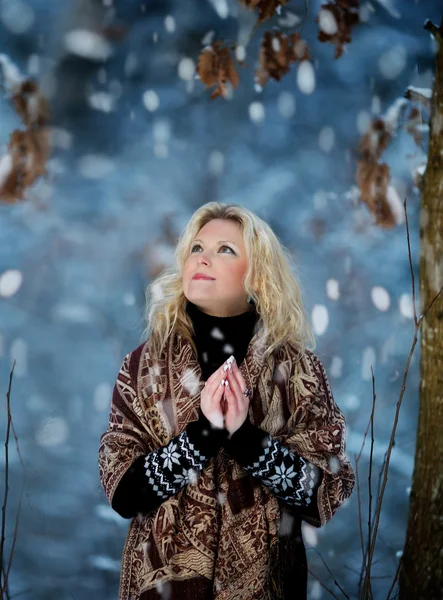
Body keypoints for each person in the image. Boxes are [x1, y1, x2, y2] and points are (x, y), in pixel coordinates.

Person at [98, 202, 355, 600]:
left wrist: (246, 439)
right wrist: (204, 435)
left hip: (266, 583)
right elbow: (123, 493)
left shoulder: (297, 370)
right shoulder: (144, 366)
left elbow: (323, 493)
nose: (203, 258)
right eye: (197, 247)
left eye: (225, 250)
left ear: (257, 275)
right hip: (165, 586)